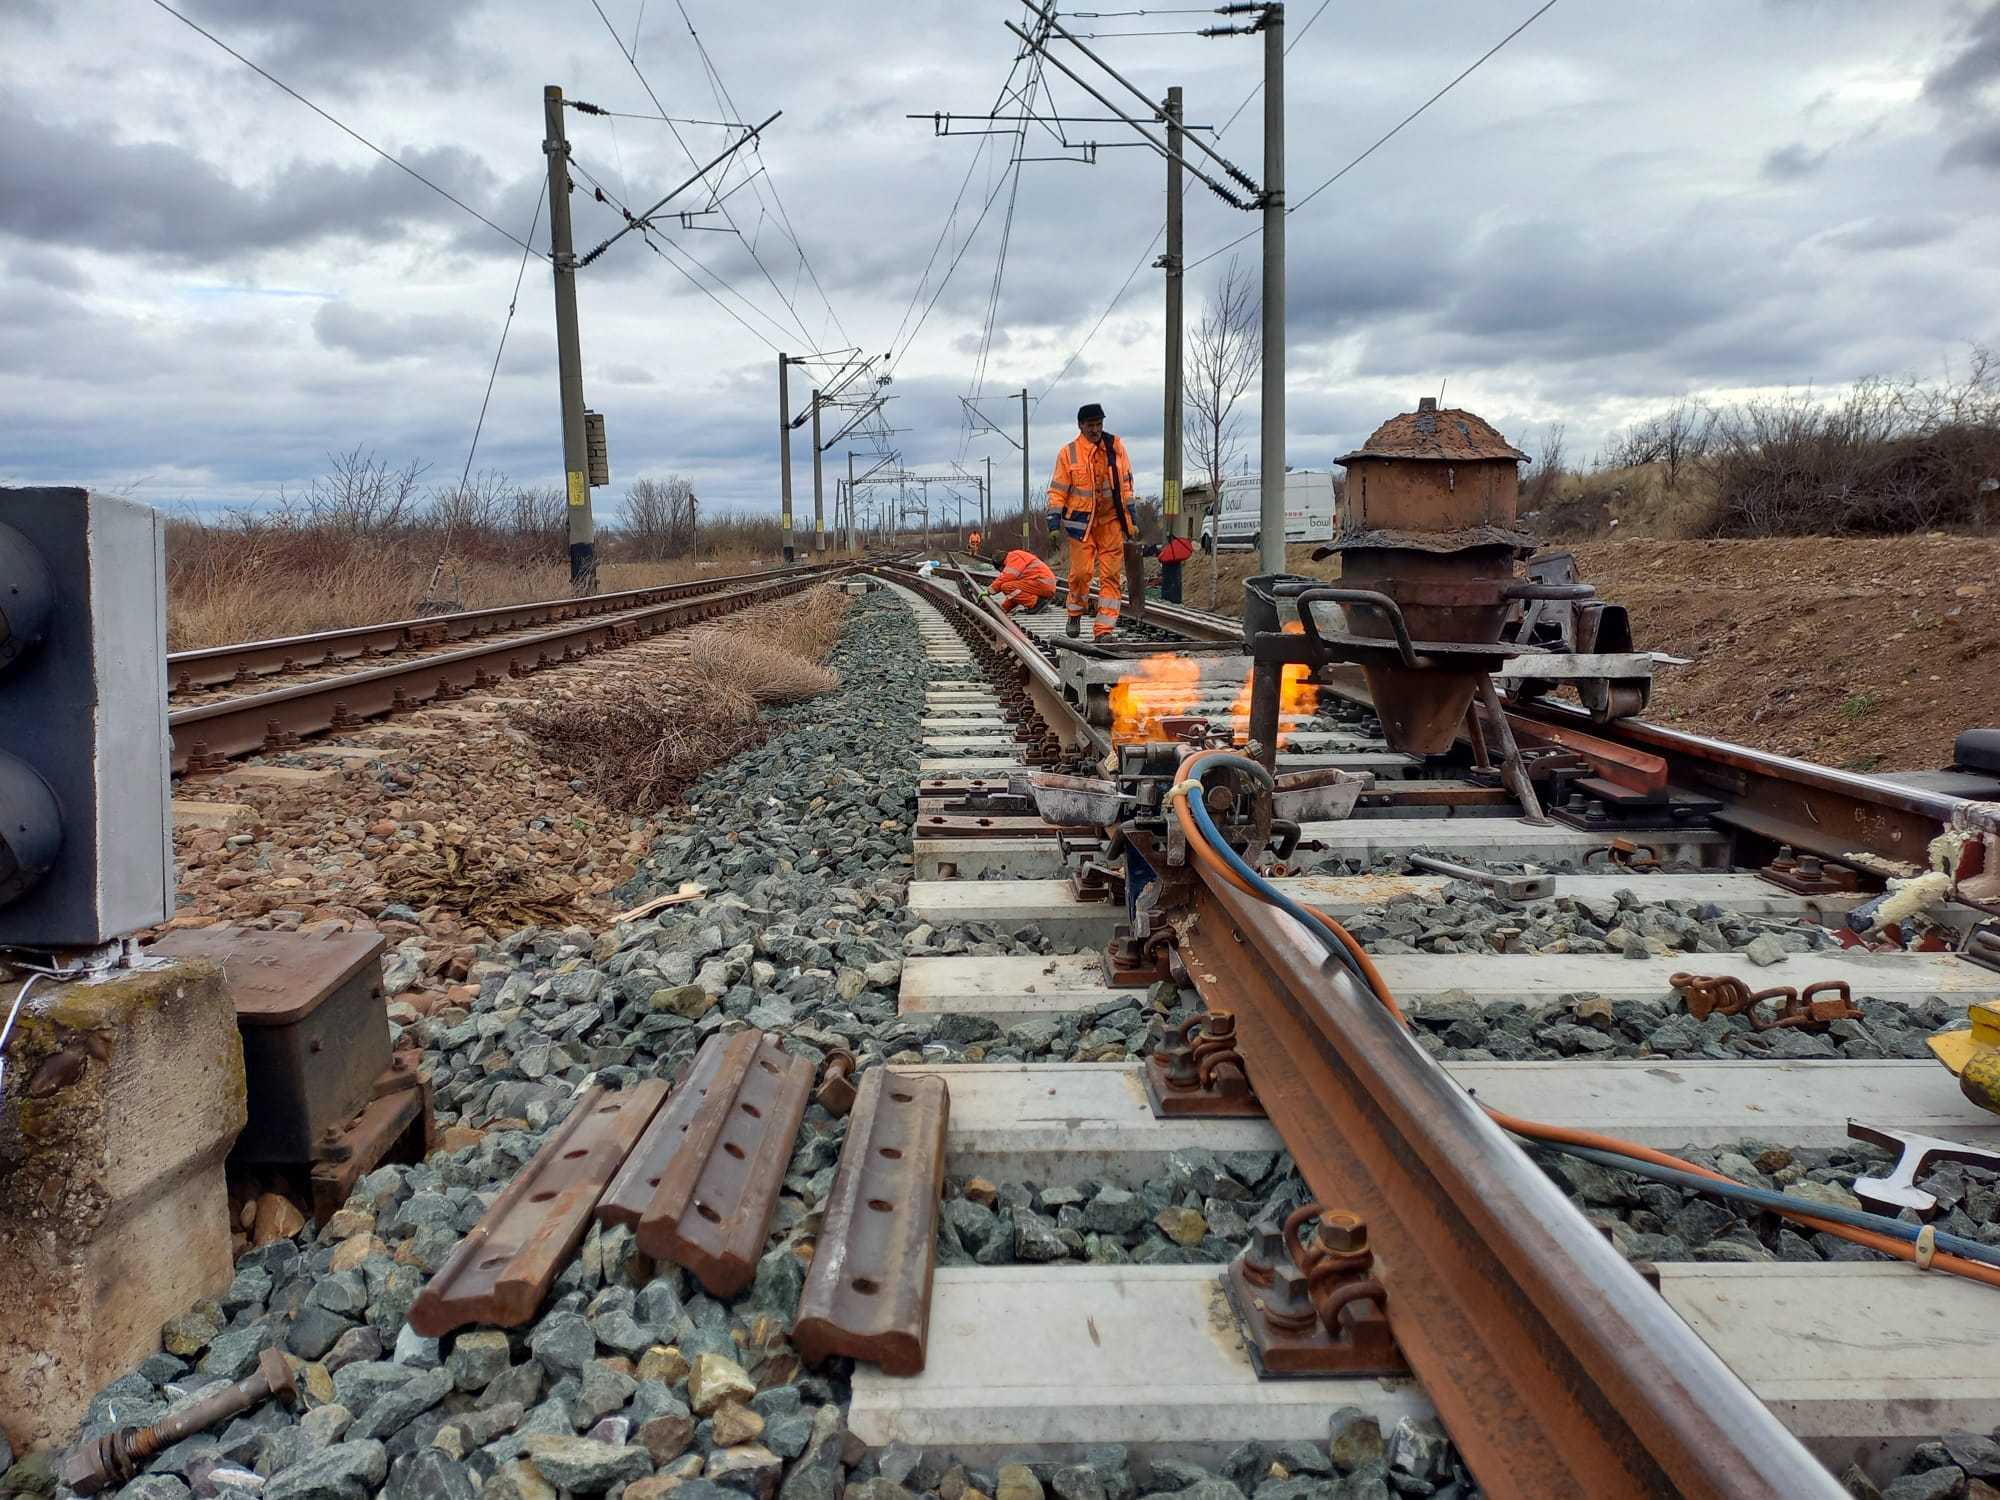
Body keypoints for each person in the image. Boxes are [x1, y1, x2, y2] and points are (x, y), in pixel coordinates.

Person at [1047, 402, 1136, 639]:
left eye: (1099, 424)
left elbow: (1126, 484)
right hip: (1081, 526)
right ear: (1080, 425)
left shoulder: (1115, 447)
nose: (1096, 429)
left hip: (1110, 522)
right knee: (1082, 574)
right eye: (1091, 425)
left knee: (1111, 576)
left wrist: (1131, 517)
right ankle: (1075, 612)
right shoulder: (1069, 453)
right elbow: (1057, 490)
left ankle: (1104, 630)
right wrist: (1053, 522)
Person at [986, 548, 1056, 614]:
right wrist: (1004, 608)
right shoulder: (1016, 557)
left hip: (1041, 583)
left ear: (1001, 566)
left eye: (1002, 571)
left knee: (1006, 586)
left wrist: (989, 591)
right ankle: (1037, 602)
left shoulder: (1014, 558)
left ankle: (1037, 603)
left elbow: (1006, 577)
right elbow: (1016, 594)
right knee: (1010, 586)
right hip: (1043, 584)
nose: (1002, 572)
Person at [1157, 530, 1193, 604]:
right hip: (1173, 560)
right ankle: (1174, 600)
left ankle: (1170, 599)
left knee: (1170, 585)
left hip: (1170, 562)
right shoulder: (1176, 553)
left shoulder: (1170, 553)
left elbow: (1161, 558)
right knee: (1174, 584)